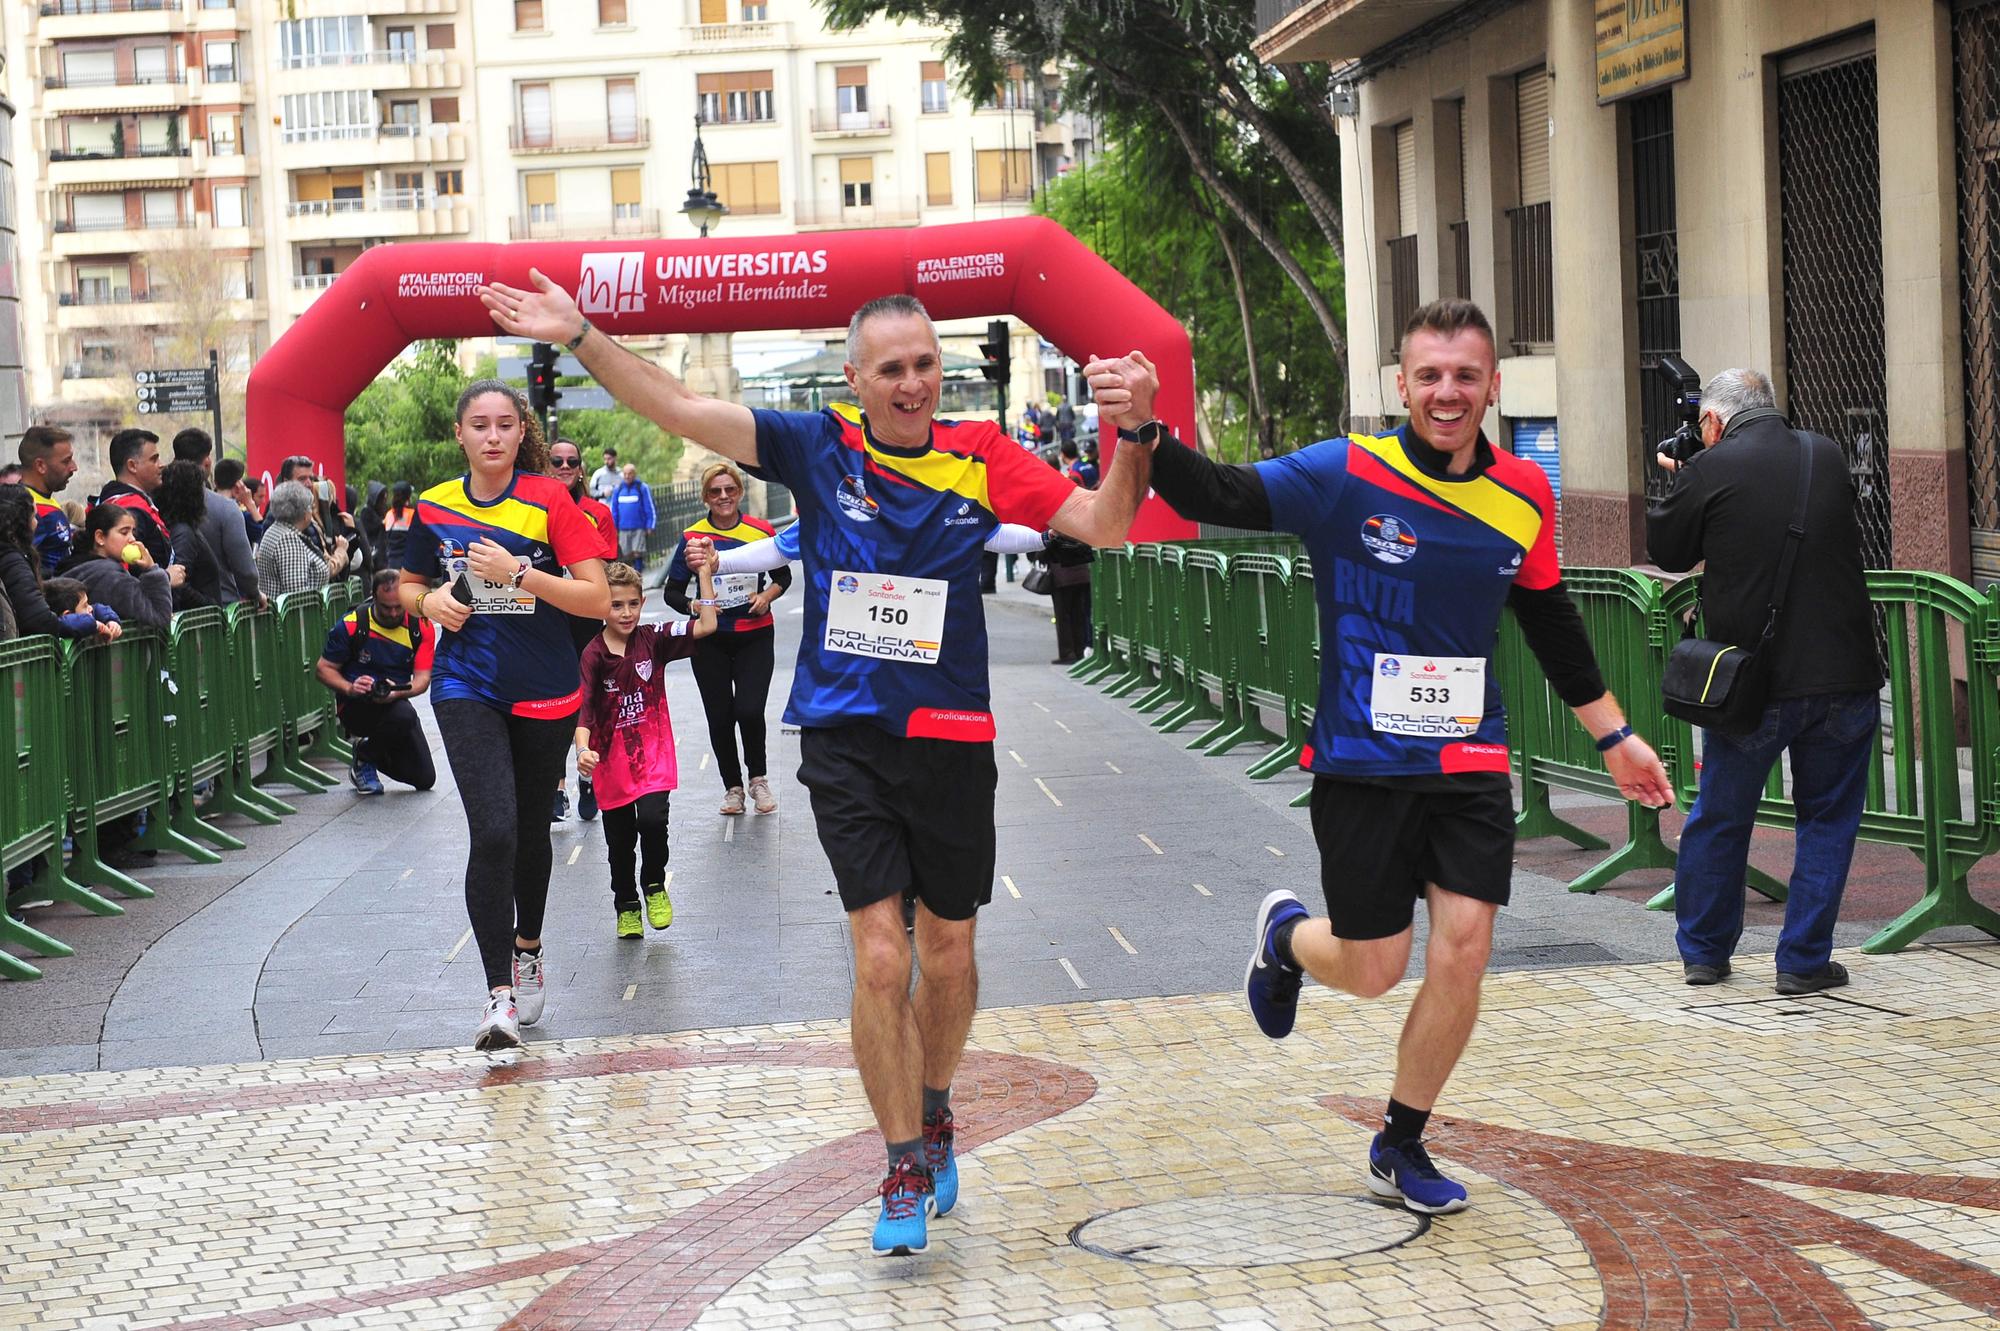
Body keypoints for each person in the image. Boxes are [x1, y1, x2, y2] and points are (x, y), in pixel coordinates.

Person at [479, 271, 1155, 1256]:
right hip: (844, 736)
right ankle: (898, 1163)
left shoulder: (981, 454)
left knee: (950, 955)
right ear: (854, 378)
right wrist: (580, 332)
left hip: (952, 739)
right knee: (881, 954)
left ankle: (933, 1108)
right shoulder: (815, 441)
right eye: (892, 368)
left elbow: (1106, 521)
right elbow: (675, 402)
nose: (913, 383)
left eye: (926, 364)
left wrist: (1132, 435)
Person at [1142, 298, 1674, 1217]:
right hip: (1362, 760)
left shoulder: (1524, 494)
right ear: (1400, 384)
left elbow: (1548, 619)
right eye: (1429, 375)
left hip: (1468, 757)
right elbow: (1215, 494)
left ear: (1493, 387)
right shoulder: (1345, 472)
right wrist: (1145, 427)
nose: (1447, 391)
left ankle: (1403, 1138)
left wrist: (1614, 734)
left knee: (1464, 951)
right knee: (1376, 966)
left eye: (1466, 375)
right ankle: (1286, 939)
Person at [1647, 368, 1883, 995]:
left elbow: (1668, 551)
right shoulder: (1825, 454)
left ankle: (1703, 953)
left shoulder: (1708, 469)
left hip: (1750, 683)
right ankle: (1803, 961)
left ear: (1715, 423)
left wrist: (1677, 477)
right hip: (1845, 675)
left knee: (1722, 816)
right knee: (1827, 820)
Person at [398, 379, 610, 1053]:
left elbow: (597, 598)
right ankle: (499, 997)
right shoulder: (434, 506)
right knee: (491, 830)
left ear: (523, 434)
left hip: (544, 688)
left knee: (525, 832)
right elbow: (405, 585)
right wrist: (430, 603)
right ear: (459, 434)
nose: (492, 435)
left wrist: (522, 575)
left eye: (504, 424)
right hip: (466, 684)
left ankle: (528, 946)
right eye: (479, 425)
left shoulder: (551, 501)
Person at [576, 560, 718, 937]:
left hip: (653, 759)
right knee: (620, 842)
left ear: (642, 602)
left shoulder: (653, 637)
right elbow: (584, 712)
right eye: (616, 605)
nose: (626, 613)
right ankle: (626, 905)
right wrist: (583, 752)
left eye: (633, 604)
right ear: (600, 606)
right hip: (611, 767)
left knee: (654, 822)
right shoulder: (593, 655)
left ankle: (654, 886)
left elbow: (707, 625)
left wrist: (704, 573)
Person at [664, 461, 789, 816]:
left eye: (730, 490)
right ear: (705, 496)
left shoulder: (760, 530)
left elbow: (783, 576)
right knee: (719, 716)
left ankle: (758, 779)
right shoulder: (692, 537)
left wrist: (767, 597)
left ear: (740, 493)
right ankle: (732, 788)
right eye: (715, 491)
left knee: (749, 710)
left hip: (754, 635)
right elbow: (673, 592)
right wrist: (696, 606)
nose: (723, 497)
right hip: (710, 638)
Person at [547, 438, 620, 822]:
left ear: (580, 467)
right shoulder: (531, 509)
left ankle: (588, 777)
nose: (563, 466)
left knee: (589, 699)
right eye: (555, 460)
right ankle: (556, 788)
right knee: (553, 701)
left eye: (570, 461)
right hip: (543, 619)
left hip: (585, 620)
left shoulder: (597, 513)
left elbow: (609, 570)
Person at [316, 566, 437, 796]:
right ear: (373, 599)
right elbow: (323, 669)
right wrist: (350, 687)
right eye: (385, 608)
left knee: (424, 779)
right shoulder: (352, 624)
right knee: (405, 716)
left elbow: (422, 680)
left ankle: (366, 752)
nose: (393, 614)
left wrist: (397, 692)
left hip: (395, 702)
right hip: (356, 705)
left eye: (398, 607)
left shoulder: (420, 626)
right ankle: (366, 762)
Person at [0, 486, 119, 642]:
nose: (36, 523)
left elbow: (47, 600)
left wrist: (97, 613)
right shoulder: (12, 561)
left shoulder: (14, 557)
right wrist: (91, 624)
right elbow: (39, 620)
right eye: (34, 517)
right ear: (22, 522)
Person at [171, 427, 260, 606]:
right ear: (207, 462)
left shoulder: (157, 502)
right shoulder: (225, 508)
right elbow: (246, 571)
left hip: (171, 612)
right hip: (221, 609)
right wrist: (255, 593)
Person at [55, 504, 175, 629]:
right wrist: (152, 570)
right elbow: (160, 617)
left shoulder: (74, 565)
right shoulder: (112, 578)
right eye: (124, 532)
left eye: (132, 532)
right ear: (100, 537)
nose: (132, 539)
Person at [97, 428, 177, 574]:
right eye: (154, 459)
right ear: (132, 466)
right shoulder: (129, 510)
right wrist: (166, 578)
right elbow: (123, 575)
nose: (161, 464)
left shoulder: (136, 502)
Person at [256, 480, 346, 597]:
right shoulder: (287, 539)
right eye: (310, 507)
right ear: (304, 514)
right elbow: (298, 596)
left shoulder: (277, 530)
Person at [156, 459, 222, 610]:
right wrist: (210, 606)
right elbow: (179, 582)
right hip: (199, 623)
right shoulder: (183, 532)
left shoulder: (182, 527)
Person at [18, 426, 80, 575]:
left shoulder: (44, 500)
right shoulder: (27, 510)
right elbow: (22, 568)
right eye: (66, 461)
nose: (74, 467)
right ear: (40, 465)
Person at [1039, 531, 1095, 665]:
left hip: (1062, 575)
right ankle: (1079, 650)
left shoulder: (1055, 526)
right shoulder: (1076, 523)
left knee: (1063, 615)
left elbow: (1044, 551)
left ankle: (1067, 653)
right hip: (1082, 573)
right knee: (1079, 613)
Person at [40, 577, 123, 641]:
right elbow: (72, 623)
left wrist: (111, 620)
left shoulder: (89, 612)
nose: (90, 608)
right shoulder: (59, 626)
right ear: (68, 615)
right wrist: (98, 625)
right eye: (85, 606)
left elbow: (97, 608)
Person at [610, 463, 655, 572]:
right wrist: (614, 527)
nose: (627, 476)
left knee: (637, 551)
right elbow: (614, 510)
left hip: (638, 526)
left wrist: (650, 525)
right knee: (627, 552)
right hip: (623, 527)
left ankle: (639, 570)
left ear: (634, 474)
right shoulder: (618, 489)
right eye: (625, 474)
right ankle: (630, 573)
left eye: (629, 473)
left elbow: (649, 507)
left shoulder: (642, 487)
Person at [381, 481, 416, 570]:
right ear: (408, 496)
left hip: (390, 563)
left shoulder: (388, 514)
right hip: (407, 564)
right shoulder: (412, 514)